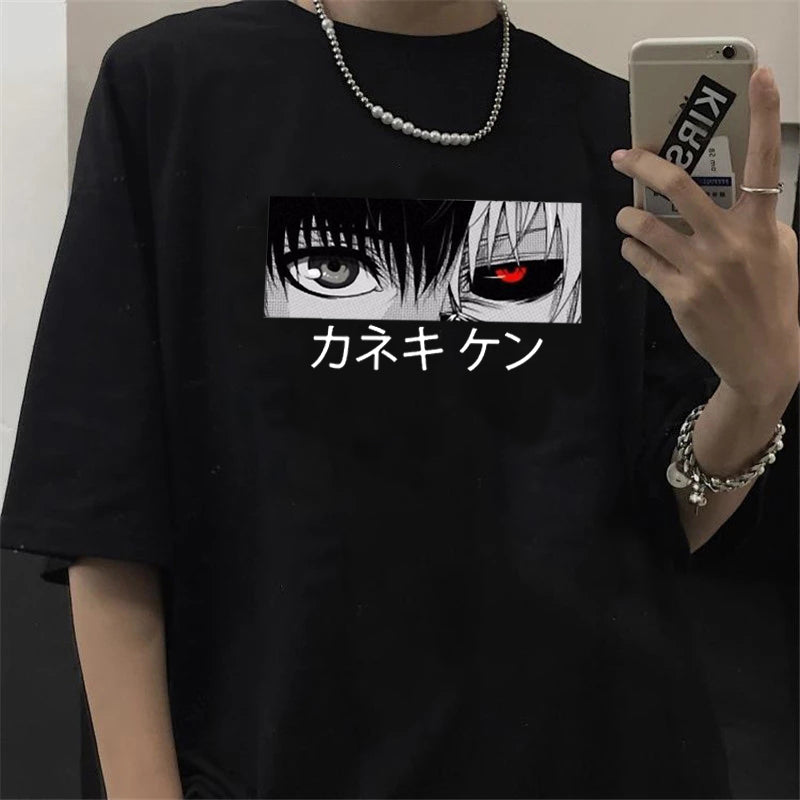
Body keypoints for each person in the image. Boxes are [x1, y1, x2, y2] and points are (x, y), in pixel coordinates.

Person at [1, 0, 798, 797]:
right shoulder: (175, 89)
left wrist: (757, 390)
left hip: (594, 756)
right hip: (270, 760)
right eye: (334, 269)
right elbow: (104, 501)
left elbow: (665, 520)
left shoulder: (615, 137)